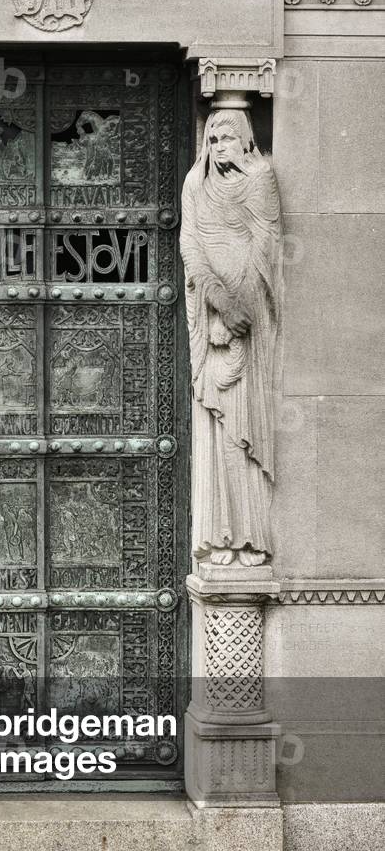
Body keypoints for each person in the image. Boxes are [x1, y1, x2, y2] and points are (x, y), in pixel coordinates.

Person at [180, 108, 282, 567]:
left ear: (246, 141)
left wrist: (243, 307)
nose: (220, 147)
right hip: (211, 310)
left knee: (242, 428)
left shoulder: (260, 180)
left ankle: (247, 539)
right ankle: (221, 534)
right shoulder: (194, 184)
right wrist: (219, 302)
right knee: (215, 425)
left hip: (249, 317)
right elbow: (190, 244)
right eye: (213, 139)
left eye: (229, 138)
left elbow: (267, 249)